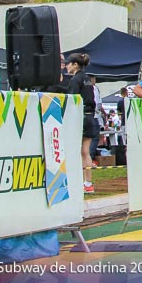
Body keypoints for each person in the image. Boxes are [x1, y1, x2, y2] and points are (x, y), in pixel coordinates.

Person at [65, 53, 98, 193]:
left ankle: (77, 181)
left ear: (75, 64)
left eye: (68, 63)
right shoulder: (87, 79)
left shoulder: (75, 80)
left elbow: (72, 101)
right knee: (86, 152)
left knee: (75, 151)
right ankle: (88, 183)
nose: (66, 66)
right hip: (90, 117)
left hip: (80, 117)